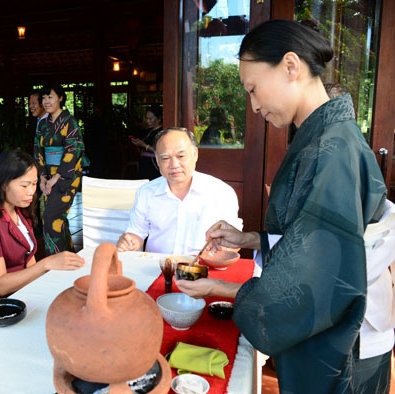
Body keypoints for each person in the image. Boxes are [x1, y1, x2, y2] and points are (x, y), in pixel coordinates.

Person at [175, 20, 387, 394]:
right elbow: (310, 238)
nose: (254, 105)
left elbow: (315, 279)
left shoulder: (330, 150)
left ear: (291, 66)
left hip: (343, 346)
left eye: (254, 89)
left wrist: (224, 289)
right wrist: (251, 239)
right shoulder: (325, 138)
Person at [0, 150, 85, 321]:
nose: (31, 191)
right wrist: (47, 264)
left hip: (18, 298)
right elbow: (0, 286)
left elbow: (30, 261)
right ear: (3, 184)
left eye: (34, 184)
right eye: (24, 186)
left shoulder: (20, 212)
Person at [117, 127, 241, 255]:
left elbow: (235, 242)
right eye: (165, 158)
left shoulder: (221, 192)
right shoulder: (146, 192)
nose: (174, 165)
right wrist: (129, 242)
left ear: (195, 154)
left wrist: (223, 249)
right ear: (157, 160)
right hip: (157, 267)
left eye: (181, 156)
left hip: (202, 267)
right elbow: (136, 232)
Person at [33, 83, 85, 255]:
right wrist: (42, 177)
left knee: (51, 217)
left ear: (60, 98)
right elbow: (38, 151)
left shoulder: (70, 122)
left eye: (50, 97)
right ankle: (67, 254)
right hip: (47, 176)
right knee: (55, 218)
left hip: (66, 177)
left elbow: (73, 150)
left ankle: (56, 259)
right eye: (44, 98)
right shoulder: (42, 124)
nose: (46, 101)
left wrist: (57, 177)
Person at [131, 105, 162, 180]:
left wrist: (144, 145)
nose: (148, 121)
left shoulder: (161, 132)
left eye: (150, 119)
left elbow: (160, 150)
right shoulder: (148, 131)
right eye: (147, 118)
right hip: (144, 164)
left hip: (153, 165)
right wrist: (138, 144)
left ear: (158, 119)